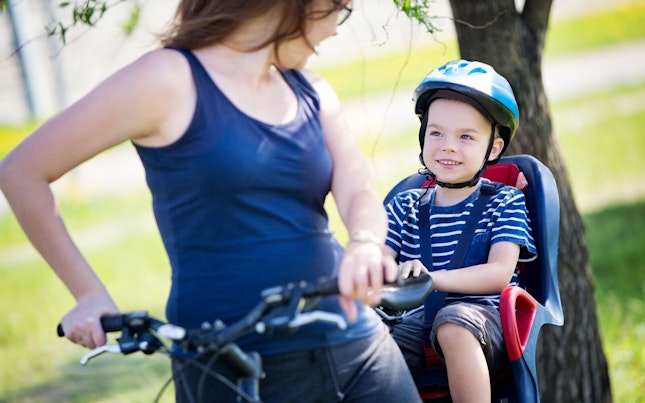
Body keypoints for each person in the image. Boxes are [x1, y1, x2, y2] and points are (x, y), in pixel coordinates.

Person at [0, 1, 422, 401]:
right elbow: (22, 171)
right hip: (229, 362)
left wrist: (365, 242)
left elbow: (358, 187)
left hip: (355, 345)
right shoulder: (167, 78)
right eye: (340, 10)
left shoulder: (311, 90)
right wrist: (89, 294)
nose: (334, 28)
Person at [384, 60, 537, 402]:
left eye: (466, 136)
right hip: (413, 322)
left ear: (493, 148)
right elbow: (374, 266)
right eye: (436, 132)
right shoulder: (404, 204)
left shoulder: (505, 200)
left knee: (453, 323)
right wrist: (392, 274)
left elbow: (499, 273)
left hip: (484, 321)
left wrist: (431, 279)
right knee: (368, 344)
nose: (448, 146)